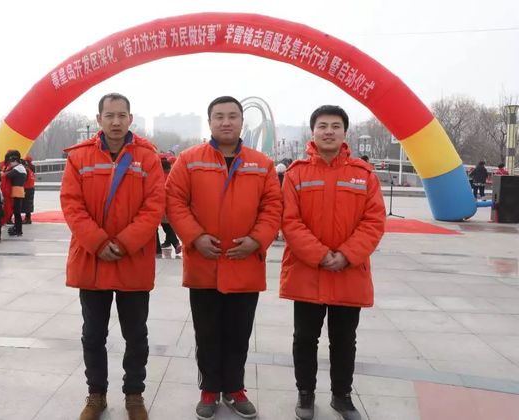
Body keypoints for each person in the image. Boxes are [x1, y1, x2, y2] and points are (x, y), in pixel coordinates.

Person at [166, 96, 282, 420]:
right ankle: (209, 389)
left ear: (242, 122)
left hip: (244, 264)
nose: (226, 122)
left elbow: (273, 207)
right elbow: (174, 201)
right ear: (210, 122)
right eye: (219, 116)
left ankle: (234, 388)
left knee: (238, 333)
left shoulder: (261, 164)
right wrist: (195, 237)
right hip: (204, 264)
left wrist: (256, 240)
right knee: (206, 333)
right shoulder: (189, 160)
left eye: (233, 116)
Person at [60, 93, 164, 420]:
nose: (116, 122)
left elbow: (154, 206)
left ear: (130, 118)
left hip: (133, 259)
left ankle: (134, 395)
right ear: (99, 119)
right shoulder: (80, 157)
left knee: (136, 335)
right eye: (110, 115)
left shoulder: (147, 157)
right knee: (93, 334)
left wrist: (124, 243)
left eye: (122, 115)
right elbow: (71, 204)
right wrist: (98, 242)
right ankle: (96, 395)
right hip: (92, 260)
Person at [280, 105, 386, 420]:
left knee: (344, 340)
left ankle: (342, 396)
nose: (329, 131)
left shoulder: (364, 175)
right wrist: (320, 255)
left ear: (344, 132)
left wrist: (346, 255)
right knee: (305, 338)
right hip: (307, 271)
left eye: (335, 126)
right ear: (312, 132)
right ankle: (306, 394)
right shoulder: (296, 173)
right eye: (323, 126)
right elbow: (290, 221)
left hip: (348, 272)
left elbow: (374, 221)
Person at [3, 155, 27, 236]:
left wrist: (3, 173)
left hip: (17, 191)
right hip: (19, 191)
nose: (10, 164)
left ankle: (18, 230)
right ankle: (18, 229)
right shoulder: (21, 168)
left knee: (17, 212)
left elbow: (8, 175)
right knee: (17, 212)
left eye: (11, 162)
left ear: (16, 161)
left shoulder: (17, 169)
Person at [22, 155, 36, 224]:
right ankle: (28, 218)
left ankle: (27, 219)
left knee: (26, 203)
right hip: (31, 188)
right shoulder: (32, 168)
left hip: (26, 188)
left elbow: (24, 179)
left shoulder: (26, 169)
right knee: (29, 203)